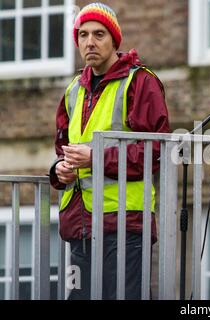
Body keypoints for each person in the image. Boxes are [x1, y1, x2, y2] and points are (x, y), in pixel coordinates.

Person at [49, 2, 170, 300]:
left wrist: (96, 158)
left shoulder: (141, 82)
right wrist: (58, 171)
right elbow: (62, 149)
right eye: (83, 35)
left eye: (99, 34)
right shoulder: (73, 90)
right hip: (79, 226)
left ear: (115, 40)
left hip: (125, 225)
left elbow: (157, 150)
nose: (90, 42)